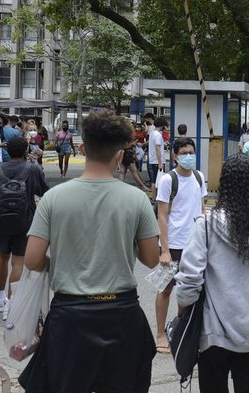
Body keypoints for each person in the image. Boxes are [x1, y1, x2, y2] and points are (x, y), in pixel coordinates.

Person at [21, 110, 160, 391]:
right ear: (120, 154)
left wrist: (61, 262)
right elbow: (151, 258)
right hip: (122, 314)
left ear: (83, 149)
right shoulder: (137, 199)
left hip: (69, 316)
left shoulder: (53, 198)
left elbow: (33, 260)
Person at [175, 154, 249, 392]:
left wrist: (183, 309)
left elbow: (189, 280)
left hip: (215, 333)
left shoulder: (207, 225)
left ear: (224, 185)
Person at [154, 138, 207, 352]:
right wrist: (165, 250)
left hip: (194, 245)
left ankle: (180, 331)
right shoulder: (168, 179)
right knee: (165, 288)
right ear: (175, 155)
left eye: (191, 152)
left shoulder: (199, 176)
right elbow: (162, 215)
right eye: (184, 153)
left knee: (190, 290)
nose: (188, 156)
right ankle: (160, 334)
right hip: (173, 244)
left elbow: (202, 210)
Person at [0, 137, 48, 320]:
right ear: (25, 150)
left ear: (8, 151)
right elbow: (44, 193)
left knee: (2, 257)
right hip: (25, 220)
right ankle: (11, 305)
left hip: (0, 221)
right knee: (18, 262)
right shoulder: (33, 169)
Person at [147, 116, 167, 190]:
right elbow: (157, 149)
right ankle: (157, 196)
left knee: (154, 180)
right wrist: (160, 163)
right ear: (162, 125)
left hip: (153, 160)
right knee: (159, 181)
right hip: (157, 161)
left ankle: (153, 196)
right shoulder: (158, 135)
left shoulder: (152, 132)